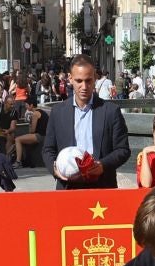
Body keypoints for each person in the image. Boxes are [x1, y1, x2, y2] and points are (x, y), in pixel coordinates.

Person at [43, 57, 131, 189]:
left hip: (101, 187)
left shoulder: (111, 111)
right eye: (79, 81)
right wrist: (55, 169)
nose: (84, 87)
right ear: (70, 78)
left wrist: (102, 165)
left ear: (95, 78)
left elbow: (122, 150)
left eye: (88, 80)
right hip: (68, 187)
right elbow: (48, 150)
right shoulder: (58, 112)